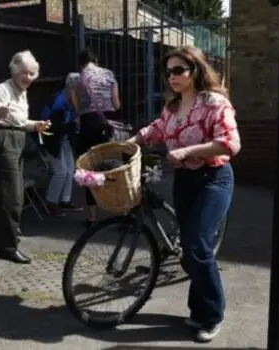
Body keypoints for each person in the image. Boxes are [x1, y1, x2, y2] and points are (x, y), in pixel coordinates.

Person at [127, 45, 241, 342]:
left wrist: (188, 150)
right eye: (168, 72)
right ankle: (199, 310)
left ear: (195, 70)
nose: (172, 76)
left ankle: (214, 315)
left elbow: (230, 144)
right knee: (189, 251)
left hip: (213, 179)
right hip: (185, 181)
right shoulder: (173, 108)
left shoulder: (215, 103)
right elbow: (156, 130)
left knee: (198, 246)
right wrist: (131, 142)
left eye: (179, 70)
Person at [0, 50, 50, 264]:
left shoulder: (22, 91)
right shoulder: (2, 90)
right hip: (4, 141)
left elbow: (18, 121)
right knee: (13, 197)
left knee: (11, 195)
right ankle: (9, 247)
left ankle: (4, 242)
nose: (28, 78)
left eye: (32, 74)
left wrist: (35, 125)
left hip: (17, 140)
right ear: (15, 71)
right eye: (25, 73)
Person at [67, 49, 121, 227]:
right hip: (109, 124)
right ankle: (124, 211)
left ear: (81, 62)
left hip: (88, 124)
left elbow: (75, 106)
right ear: (95, 60)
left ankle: (92, 218)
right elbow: (116, 103)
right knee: (116, 167)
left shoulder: (75, 79)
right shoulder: (109, 74)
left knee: (89, 169)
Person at [38, 75, 83, 216]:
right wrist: (73, 125)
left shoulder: (70, 100)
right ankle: (51, 202)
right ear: (71, 87)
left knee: (70, 170)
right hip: (52, 140)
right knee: (61, 171)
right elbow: (51, 126)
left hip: (63, 139)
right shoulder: (58, 101)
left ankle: (65, 200)